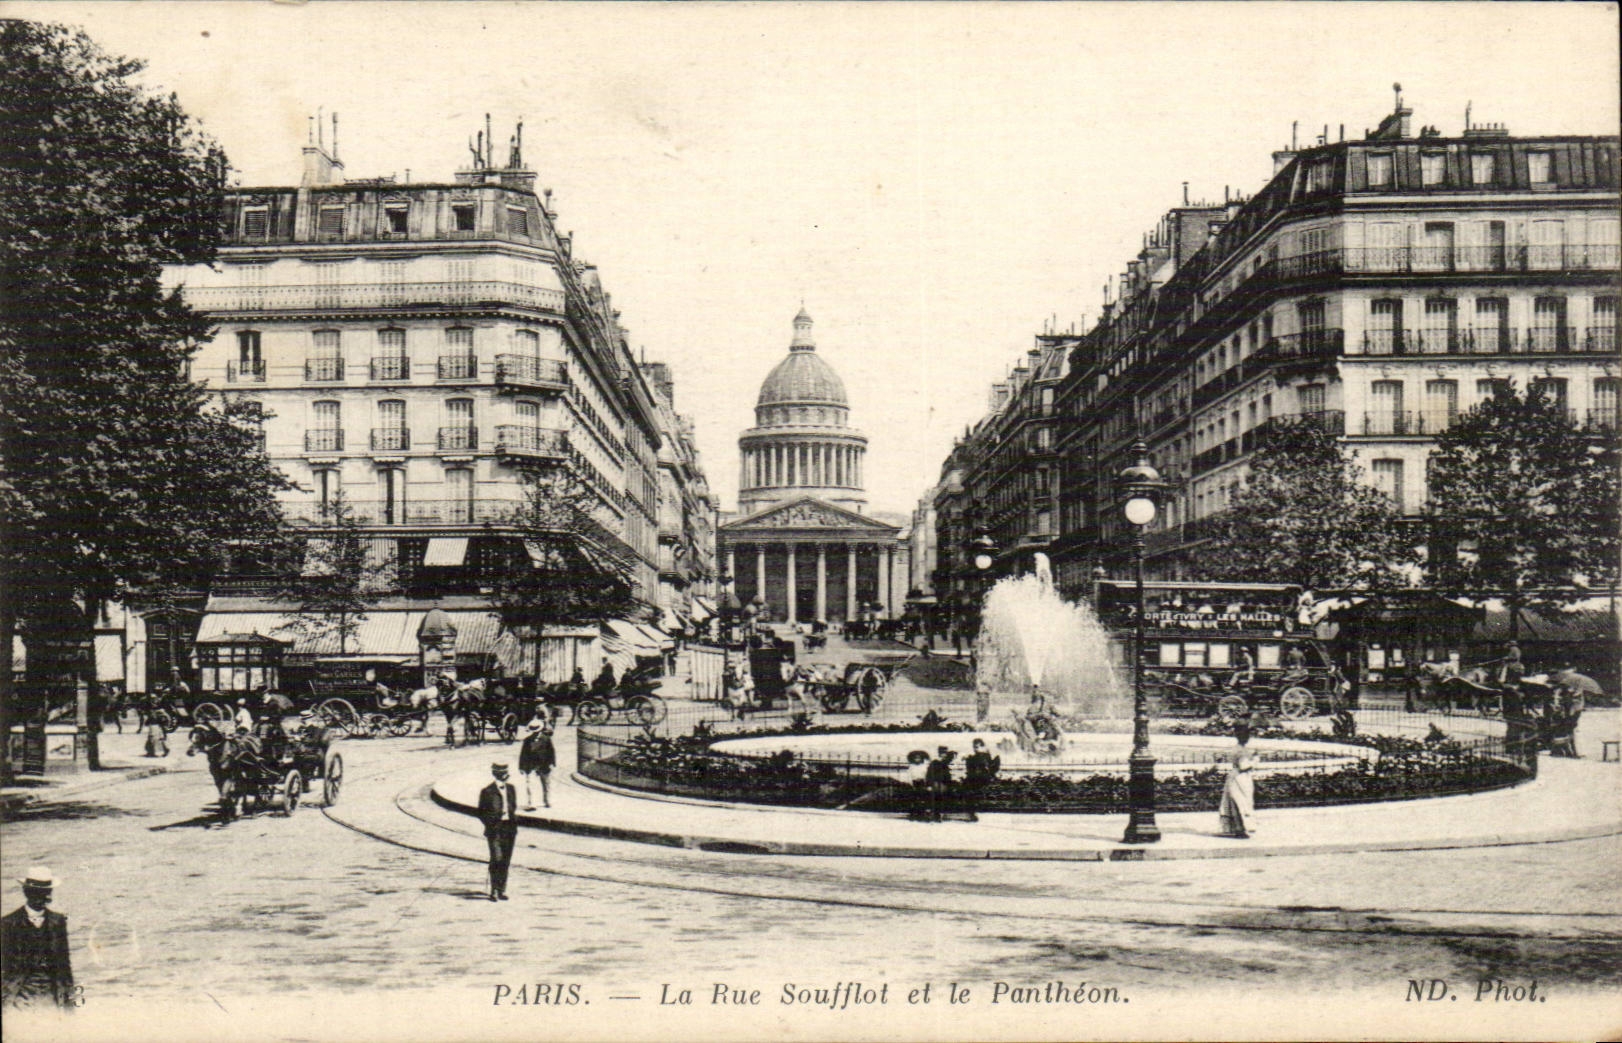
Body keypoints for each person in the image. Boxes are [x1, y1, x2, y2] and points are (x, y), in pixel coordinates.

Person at [2, 867, 74, 1010]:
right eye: (39, 893)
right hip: (20, 990)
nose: (46, 897)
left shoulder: (58, 921)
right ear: (27, 892)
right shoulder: (8, 923)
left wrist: (70, 998)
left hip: (52, 989)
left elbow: (64, 963)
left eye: (47, 892)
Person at [477, 762, 519, 901]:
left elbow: (513, 806)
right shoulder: (487, 791)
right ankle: (494, 890)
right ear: (497, 774)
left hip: (509, 828)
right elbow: (481, 812)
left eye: (506, 773)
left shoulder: (512, 789)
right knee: (496, 858)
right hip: (494, 829)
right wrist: (492, 821)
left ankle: (501, 889)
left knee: (506, 860)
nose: (506, 776)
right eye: (503, 773)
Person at [1217, 723, 1256, 838]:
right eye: (1245, 735)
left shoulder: (1239, 748)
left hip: (1237, 776)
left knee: (1238, 801)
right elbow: (1244, 766)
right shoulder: (1240, 750)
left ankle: (1238, 828)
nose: (1247, 737)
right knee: (1242, 801)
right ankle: (1241, 829)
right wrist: (1255, 760)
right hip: (1240, 777)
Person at [518, 719, 556, 809]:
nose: (535, 733)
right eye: (533, 731)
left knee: (546, 784)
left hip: (544, 765)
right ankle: (532, 803)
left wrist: (552, 763)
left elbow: (551, 752)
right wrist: (521, 767)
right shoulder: (527, 740)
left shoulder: (546, 739)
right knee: (530, 785)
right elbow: (523, 754)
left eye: (537, 731)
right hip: (531, 766)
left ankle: (547, 801)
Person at [925, 746, 956, 823]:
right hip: (936, 784)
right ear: (939, 753)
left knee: (942, 799)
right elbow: (929, 774)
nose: (944, 755)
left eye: (945, 753)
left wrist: (949, 783)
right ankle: (933, 815)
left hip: (943, 784)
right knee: (935, 799)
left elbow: (947, 775)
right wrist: (929, 785)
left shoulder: (945, 763)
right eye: (942, 753)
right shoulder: (935, 762)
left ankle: (939, 815)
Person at [904, 750, 932, 821]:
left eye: (919, 758)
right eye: (915, 758)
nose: (917, 759)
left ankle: (922, 813)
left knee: (923, 797)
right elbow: (909, 775)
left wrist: (927, 784)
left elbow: (927, 775)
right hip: (914, 783)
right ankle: (914, 813)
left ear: (922, 759)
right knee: (914, 798)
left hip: (922, 783)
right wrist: (910, 783)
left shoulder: (924, 766)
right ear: (913, 759)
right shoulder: (911, 767)